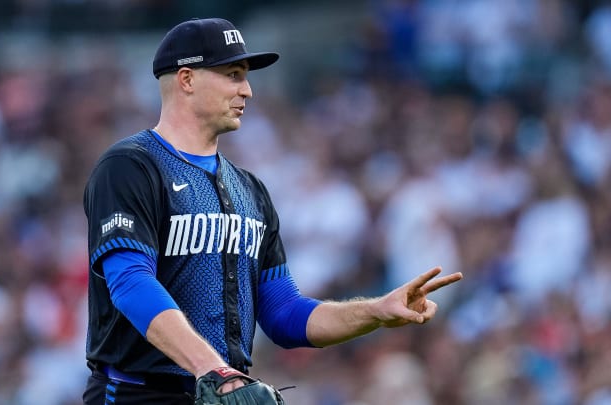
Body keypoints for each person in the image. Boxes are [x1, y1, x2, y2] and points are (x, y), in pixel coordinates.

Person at [82, 17, 463, 405]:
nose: (246, 90)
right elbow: (130, 282)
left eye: (244, 76)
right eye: (232, 74)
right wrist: (215, 371)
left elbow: (284, 313)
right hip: (136, 394)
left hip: (222, 393)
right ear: (186, 79)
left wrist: (376, 311)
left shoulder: (250, 190)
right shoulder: (132, 166)